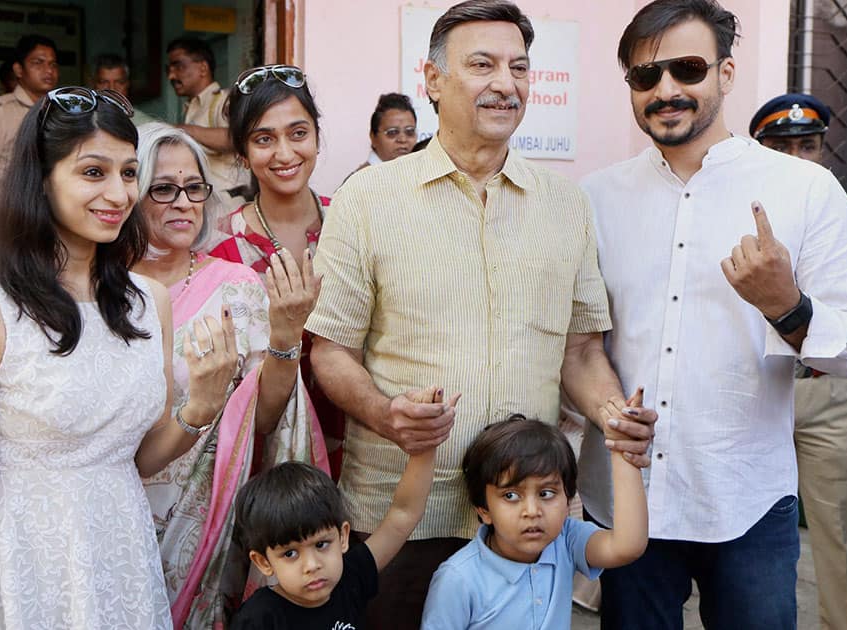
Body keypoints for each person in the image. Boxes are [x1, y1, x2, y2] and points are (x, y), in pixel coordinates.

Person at [305, 2, 657, 627]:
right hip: (404, 517)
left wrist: (614, 417)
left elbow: (579, 351)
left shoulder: (564, 205)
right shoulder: (369, 198)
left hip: (526, 522)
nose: (506, 83)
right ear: (433, 81)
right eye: (482, 64)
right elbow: (331, 351)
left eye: (519, 67)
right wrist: (389, 416)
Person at [578, 2, 847, 628]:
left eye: (687, 69)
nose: (666, 90)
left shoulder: (804, 191)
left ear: (725, 72)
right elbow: (578, 341)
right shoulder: (595, 197)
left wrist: (787, 306)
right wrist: (607, 412)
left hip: (747, 494)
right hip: (628, 495)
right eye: (645, 76)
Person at [0, 86, 236, 628]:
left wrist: (202, 407)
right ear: (42, 179)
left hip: (122, 568)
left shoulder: (147, 304)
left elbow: (132, 458)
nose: (118, 193)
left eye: (128, 172)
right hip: (21, 572)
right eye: (93, 172)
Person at [132, 121, 328, 628]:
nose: (182, 202)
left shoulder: (234, 287)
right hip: (116, 509)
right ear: (130, 191)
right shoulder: (99, 289)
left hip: (208, 519)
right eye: (163, 188)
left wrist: (285, 335)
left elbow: (263, 419)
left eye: (194, 188)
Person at [750, 92, 847, 630]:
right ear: (760, 148)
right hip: (757, 388)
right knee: (735, 541)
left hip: (825, 388)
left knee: (841, 540)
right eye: (783, 146)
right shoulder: (737, 207)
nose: (799, 157)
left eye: (809, 145)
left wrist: (793, 299)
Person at [209, 64, 347, 480]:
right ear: (242, 153)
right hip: (266, 464)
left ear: (317, 139)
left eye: (298, 133)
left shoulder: (352, 226)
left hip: (359, 449)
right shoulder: (222, 250)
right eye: (264, 139)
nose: (285, 153)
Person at [229, 385, 451, 629]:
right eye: (290, 553)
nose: (312, 565)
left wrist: (426, 440)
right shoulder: (259, 618)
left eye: (321, 544)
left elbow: (404, 513)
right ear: (263, 561)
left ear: (343, 536)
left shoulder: (351, 577)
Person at [421, 409, 648, 630]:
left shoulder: (565, 540)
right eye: (511, 496)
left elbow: (627, 546)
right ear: (484, 510)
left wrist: (623, 451)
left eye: (546, 494)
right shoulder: (457, 580)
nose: (532, 511)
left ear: (568, 500)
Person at [0, 34, 58, 267]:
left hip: (52, 232)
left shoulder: (59, 114)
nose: (48, 70)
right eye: (38, 63)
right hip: (10, 234)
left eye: (52, 64)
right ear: (18, 70)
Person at [166, 37, 250, 198]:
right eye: (169, 69)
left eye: (178, 66)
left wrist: (184, 130)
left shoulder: (224, 100)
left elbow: (237, 138)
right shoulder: (192, 108)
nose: (171, 76)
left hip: (228, 199)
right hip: (203, 198)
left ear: (203, 68)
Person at [348, 92, 419, 178]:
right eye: (392, 132)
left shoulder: (416, 176)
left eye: (410, 131)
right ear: (373, 137)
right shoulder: (359, 181)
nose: (403, 139)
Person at [92, 53, 156, 126]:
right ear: (94, 84)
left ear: (128, 84)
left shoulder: (146, 124)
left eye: (119, 82)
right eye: (104, 82)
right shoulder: (82, 123)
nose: (112, 89)